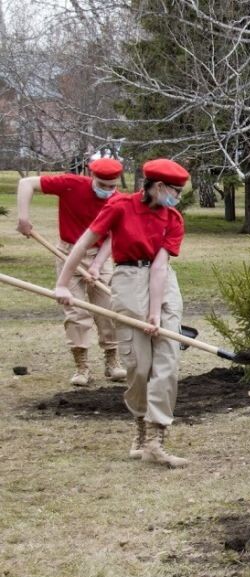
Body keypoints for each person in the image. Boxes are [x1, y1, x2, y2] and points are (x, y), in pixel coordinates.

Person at [53, 159, 190, 468]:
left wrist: (155, 312)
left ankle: (157, 439)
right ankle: (140, 428)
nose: (178, 197)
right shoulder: (120, 207)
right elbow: (82, 244)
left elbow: (160, 266)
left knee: (167, 361)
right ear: (157, 187)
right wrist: (63, 284)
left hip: (163, 282)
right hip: (128, 279)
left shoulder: (174, 218)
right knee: (139, 365)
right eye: (175, 190)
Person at [17, 158, 127, 386]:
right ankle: (82, 366)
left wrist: (97, 265)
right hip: (67, 254)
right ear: (91, 176)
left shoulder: (119, 201)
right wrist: (23, 218)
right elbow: (26, 183)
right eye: (102, 184)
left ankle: (112, 361)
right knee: (75, 310)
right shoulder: (70, 184)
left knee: (107, 308)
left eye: (111, 186)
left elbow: (113, 236)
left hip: (100, 255)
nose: (106, 191)